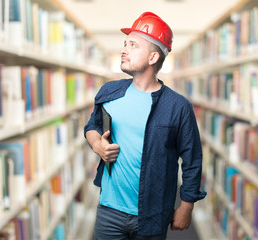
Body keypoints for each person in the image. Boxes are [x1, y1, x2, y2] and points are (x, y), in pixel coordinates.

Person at [84, 11, 206, 240]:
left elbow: (192, 160)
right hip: (109, 210)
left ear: (152, 58)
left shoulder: (178, 107)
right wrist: (96, 145)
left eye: (133, 45)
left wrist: (186, 206)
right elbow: (92, 127)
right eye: (124, 44)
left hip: (152, 214)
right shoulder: (109, 93)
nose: (124, 49)